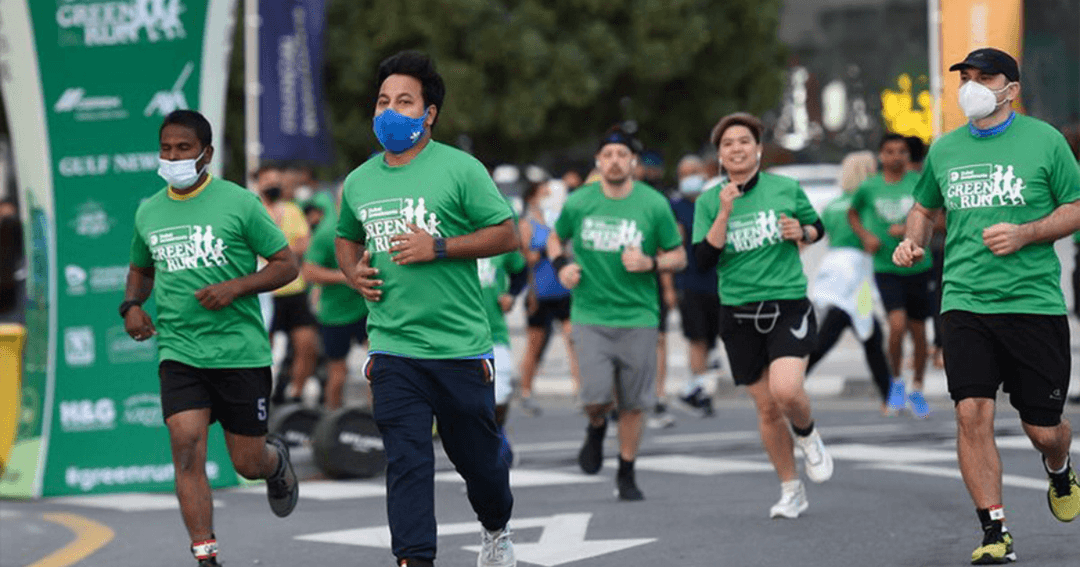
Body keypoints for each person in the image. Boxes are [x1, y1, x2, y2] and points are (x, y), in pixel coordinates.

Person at [893, 47, 1080, 564]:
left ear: (1011, 89)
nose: (972, 85)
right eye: (966, 77)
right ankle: (993, 530)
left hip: (1033, 302)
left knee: (1043, 429)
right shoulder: (945, 149)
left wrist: (1026, 233)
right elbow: (923, 207)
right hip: (964, 300)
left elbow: (1077, 206)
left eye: (985, 77)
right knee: (970, 412)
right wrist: (913, 240)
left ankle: (1060, 466)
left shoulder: (1045, 141)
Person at [335, 51, 518, 567]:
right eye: (383, 101)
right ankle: (415, 559)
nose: (390, 110)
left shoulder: (461, 169)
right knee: (407, 461)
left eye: (404, 101)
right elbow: (344, 238)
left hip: (460, 347)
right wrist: (353, 272)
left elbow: (507, 234)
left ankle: (496, 528)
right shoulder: (358, 181)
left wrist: (437, 247)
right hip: (393, 346)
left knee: (480, 466)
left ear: (429, 112)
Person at [123, 110, 299, 567]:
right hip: (180, 349)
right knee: (185, 444)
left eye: (183, 148)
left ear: (207, 154)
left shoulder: (238, 203)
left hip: (239, 350)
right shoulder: (149, 210)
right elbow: (141, 269)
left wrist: (235, 286)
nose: (173, 157)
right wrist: (132, 306)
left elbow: (286, 264)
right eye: (166, 148)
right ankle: (206, 556)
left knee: (245, 463)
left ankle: (274, 462)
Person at [693, 112, 833, 519]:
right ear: (720, 155)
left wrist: (801, 233)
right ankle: (791, 489)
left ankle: (808, 436)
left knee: (787, 390)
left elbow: (816, 228)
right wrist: (723, 213)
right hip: (738, 313)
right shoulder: (708, 200)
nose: (736, 148)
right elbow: (703, 259)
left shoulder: (786, 188)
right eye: (727, 144)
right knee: (767, 409)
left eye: (743, 141)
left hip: (786, 302)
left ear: (757, 149)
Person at [549, 126, 686, 501]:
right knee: (595, 396)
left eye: (621, 155)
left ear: (633, 163)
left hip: (639, 316)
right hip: (590, 314)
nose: (614, 161)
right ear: (598, 161)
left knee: (633, 403)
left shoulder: (654, 204)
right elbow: (554, 238)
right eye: (607, 155)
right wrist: (562, 265)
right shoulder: (579, 201)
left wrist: (651, 262)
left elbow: (679, 255)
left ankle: (626, 472)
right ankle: (595, 428)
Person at [848, 133, 933, 418]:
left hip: (918, 266)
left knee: (919, 333)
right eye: (889, 151)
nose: (895, 156)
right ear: (880, 156)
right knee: (896, 326)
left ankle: (918, 385)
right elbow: (852, 214)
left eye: (901, 151)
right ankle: (896, 381)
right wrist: (866, 236)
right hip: (886, 268)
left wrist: (911, 231)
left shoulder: (918, 183)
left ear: (908, 156)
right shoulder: (869, 187)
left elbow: (938, 218)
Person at [806, 151, 895, 414]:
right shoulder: (866, 206)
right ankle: (888, 397)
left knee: (843, 329)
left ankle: (888, 395)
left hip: (835, 269)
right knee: (867, 332)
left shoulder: (833, 204)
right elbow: (874, 239)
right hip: (858, 273)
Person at [255, 165, 320, 403]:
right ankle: (263, 397)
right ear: (258, 183)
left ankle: (295, 395)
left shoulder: (292, 210)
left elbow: (304, 244)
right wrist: (284, 251)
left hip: (295, 289)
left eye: (276, 180)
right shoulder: (253, 211)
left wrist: (275, 253)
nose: (273, 184)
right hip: (265, 293)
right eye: (268, 180)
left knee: (307, 344)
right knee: (264, 351)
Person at [517, 180, 580, 415]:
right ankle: (525, 391)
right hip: (540, 291)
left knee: (574, 341)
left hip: (563, 290)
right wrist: (547, 249)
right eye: (544, 193)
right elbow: (528, 258)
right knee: (535, 345)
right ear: (533, 197)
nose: (548, 196)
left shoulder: (556, 220)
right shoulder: (527, 224)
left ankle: (580, 391)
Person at [301, 192, 367, 410]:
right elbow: (309, 272)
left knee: (380, 369)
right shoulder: (327, 232)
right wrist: (347, 276)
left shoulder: (370, 225)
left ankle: (380, 427)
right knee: (338, 372)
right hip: (335, 314)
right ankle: (331, 427)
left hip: (365, 309)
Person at [670, 154, 721, 421]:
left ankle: (700, 387)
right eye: (686, 172)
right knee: (698, 339)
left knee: (714, 341)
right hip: (690, 281)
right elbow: (670, 245)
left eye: (696, 171)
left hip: (717, 281)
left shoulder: (713, 203)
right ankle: (699, 391)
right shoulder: (675, 207)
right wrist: (669, 287)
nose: (692, 176)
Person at [477, 244, 528, 465]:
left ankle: (498, 436)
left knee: (499, 396)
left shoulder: (495, 240)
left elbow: (521, 269)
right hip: (458, 335)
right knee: (472, 404)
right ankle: (483, 456)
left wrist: (512, 295)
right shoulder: (449, 238)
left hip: (494, 332)